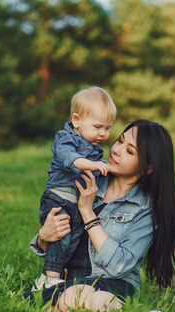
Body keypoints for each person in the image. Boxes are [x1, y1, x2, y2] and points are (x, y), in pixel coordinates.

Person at [28, 119, 175, 312]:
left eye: (129, 150)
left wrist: (87, 211)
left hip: (113, 283)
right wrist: (43, 237)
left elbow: (119, 267)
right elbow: (57, 238)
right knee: (61, 303)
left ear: (147, 168)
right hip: (69, 278)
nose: (116, 150)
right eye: (120, 141)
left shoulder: (146, 208)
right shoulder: (89, 174)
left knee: (71, 299)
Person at [33, 86, 116, 291]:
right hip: (58, 198)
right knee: (61, 236)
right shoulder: (65, 138)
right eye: (98, 127)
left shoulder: (94, 146)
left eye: (107, 128)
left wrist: (108, 166)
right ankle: (52, 278)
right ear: (77, 120)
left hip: (76, 203)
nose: (103, 133)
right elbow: (70, 159)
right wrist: (94, 165)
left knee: (73, 239)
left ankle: (46, 278)